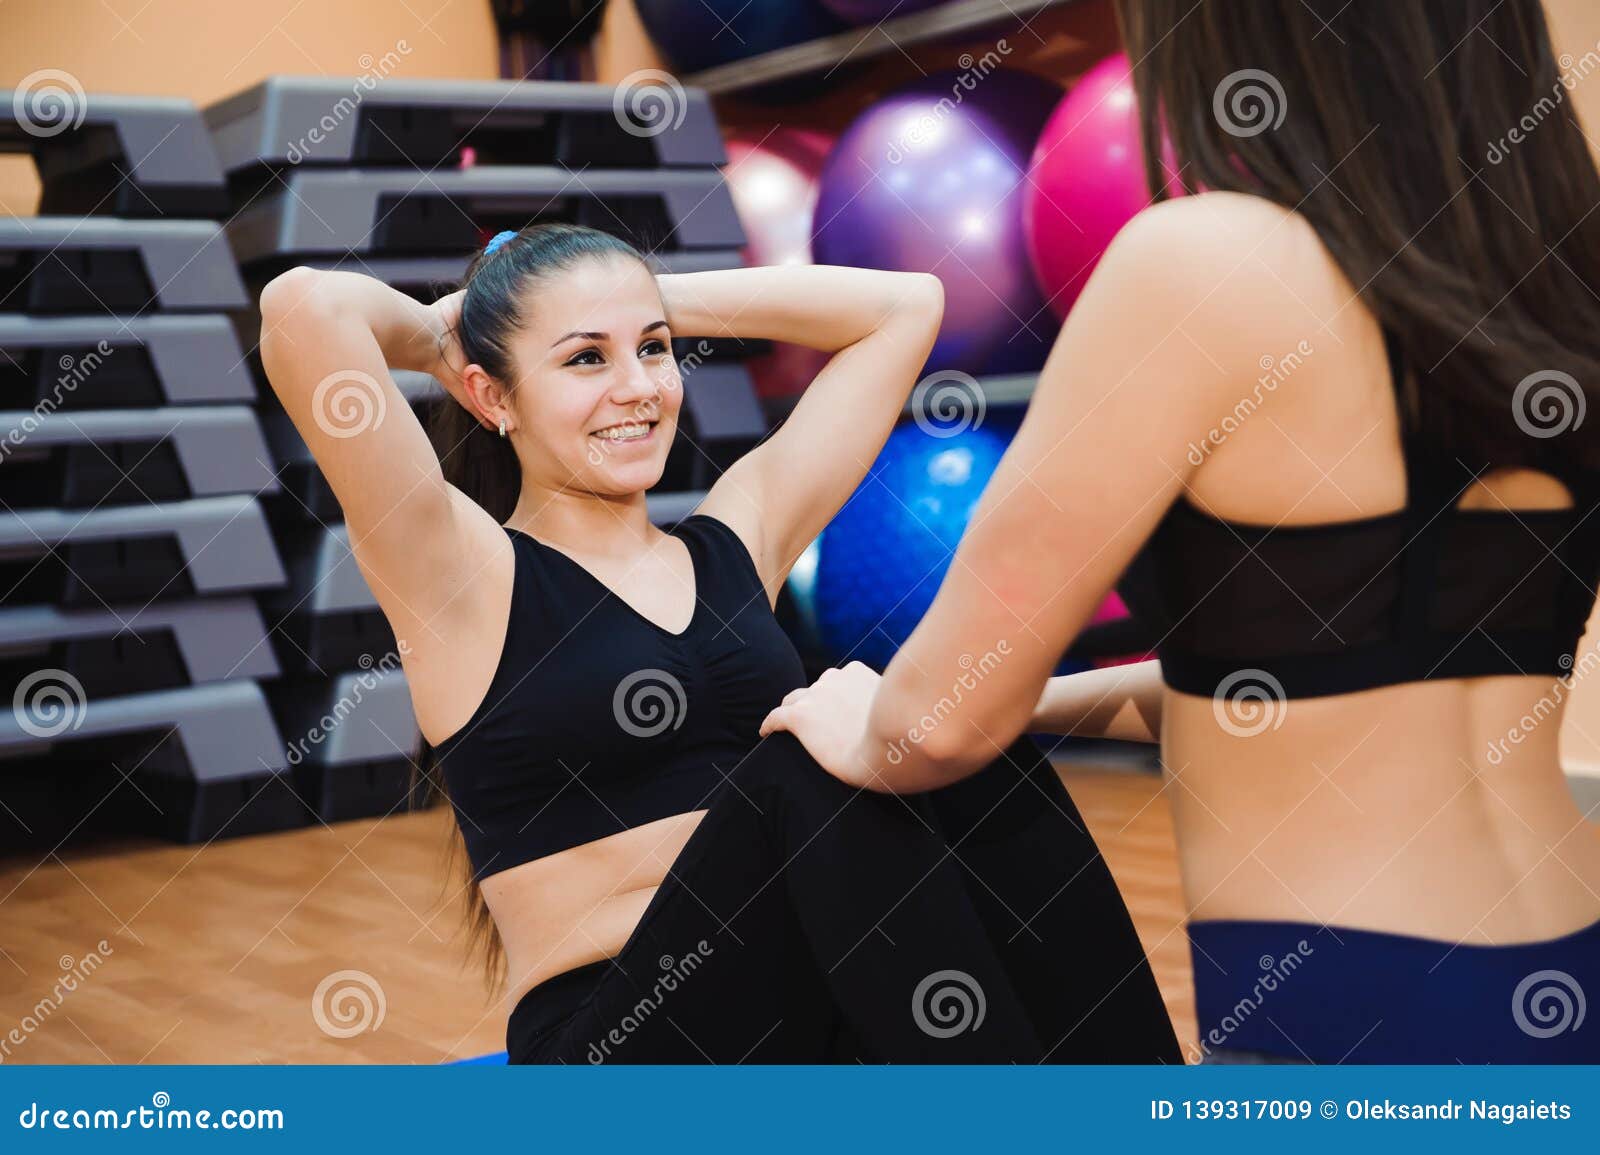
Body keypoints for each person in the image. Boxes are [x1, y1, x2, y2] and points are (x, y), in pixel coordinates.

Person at [762, 0, 1600, 1064]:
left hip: (1347, 1012)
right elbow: (1316, 685)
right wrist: (1029, 703)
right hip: (1565, 976)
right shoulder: (1554, 278)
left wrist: (867, 720)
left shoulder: (1207, 261)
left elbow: (933, 727)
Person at [258, 224, 1179, 1063]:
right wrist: (456, 332)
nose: (639, 388)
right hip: (619, 1041)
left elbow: (906, 308)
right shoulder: (459, 572)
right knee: (805, 766)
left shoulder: (738, 535)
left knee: (974, 749)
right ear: (491, 395)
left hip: (801, 997)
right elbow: (303, 309)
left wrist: (640, 300)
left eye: (654, 351)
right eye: (584, 360)